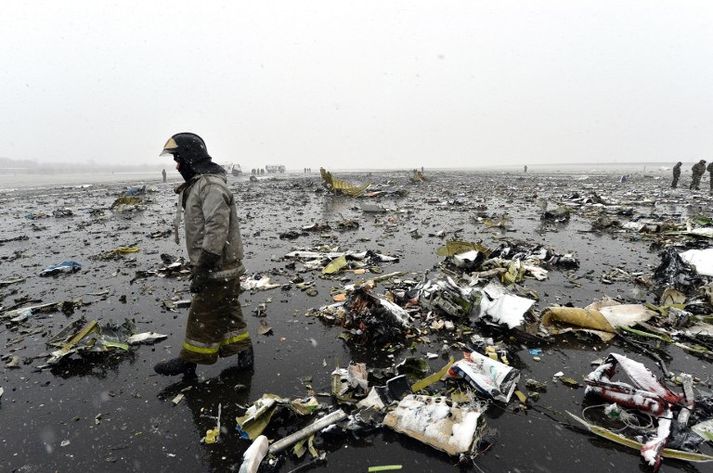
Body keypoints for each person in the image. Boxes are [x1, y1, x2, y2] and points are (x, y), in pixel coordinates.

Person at [154, 132, 252, 376]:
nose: (176, 165)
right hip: (222, 266)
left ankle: (188, 361)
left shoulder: (210, 187)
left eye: (178, 158)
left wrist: (203, 266)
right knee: (229, 312)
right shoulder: (200, 185)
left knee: (202, 314)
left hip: (217, 267)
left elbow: (217, 229)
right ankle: (245, 354)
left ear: (190, 157)